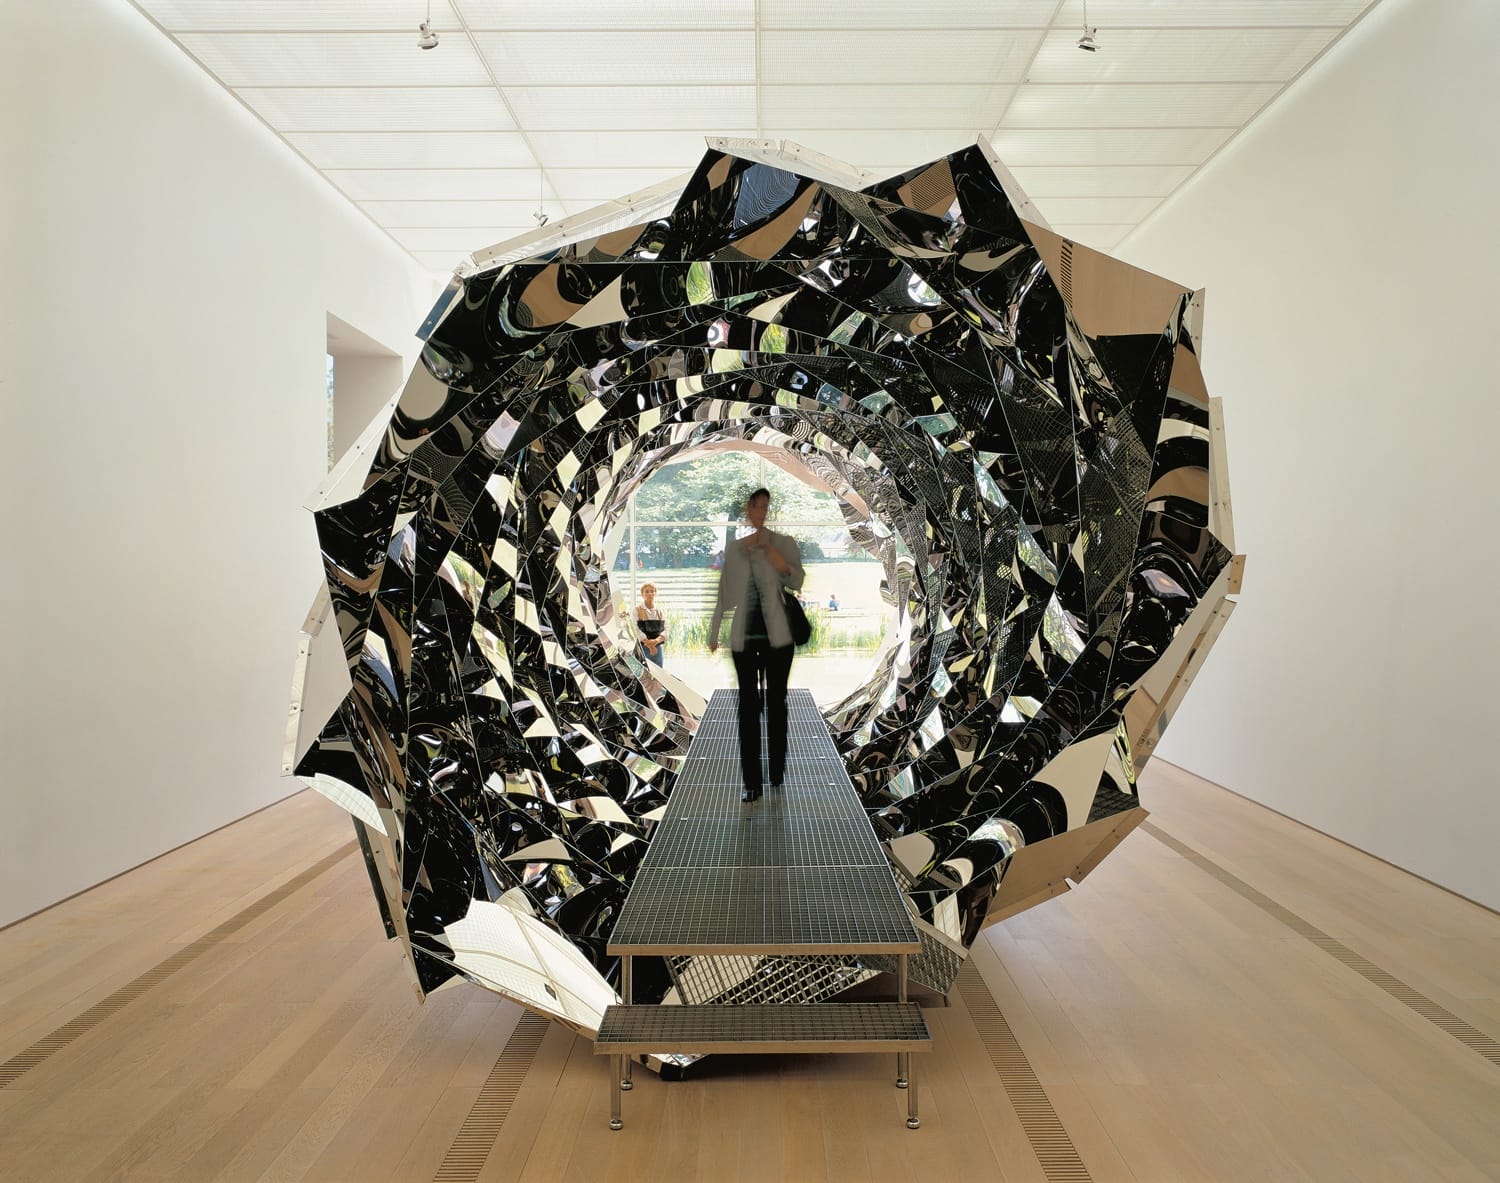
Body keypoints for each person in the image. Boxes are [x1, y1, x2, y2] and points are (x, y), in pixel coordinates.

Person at [708, 488, 805, 802]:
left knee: (777, 705)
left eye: (765, 506)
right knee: (748, 711)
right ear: (748, 510)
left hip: (779, 639)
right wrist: (713, 629)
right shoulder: (736, 548)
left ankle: (776, 773)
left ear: (769, 510)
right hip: (745, 639)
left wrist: (771, 554)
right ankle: (752, 783)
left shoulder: (783, 543)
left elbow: (796, 581)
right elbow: (726, 592)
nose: (760, 511)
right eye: (755, 506)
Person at [636, 583, 667, 666]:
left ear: (655, 593)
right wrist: (650, 645)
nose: (650, 593)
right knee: (644, 674)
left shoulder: (660, 611)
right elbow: (635, 629)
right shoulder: (637, 610)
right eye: (647, 592)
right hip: (642, 648)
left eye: (652, 591)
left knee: (659, 674)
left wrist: (656, 641)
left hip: (658, 648)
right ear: (642, 594)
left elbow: (666, 629)